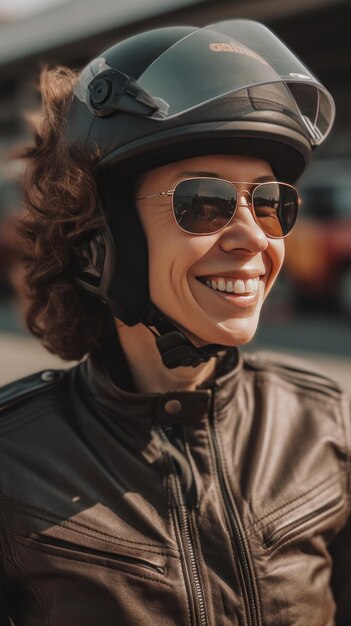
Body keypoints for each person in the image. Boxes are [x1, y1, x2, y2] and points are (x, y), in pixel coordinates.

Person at [0, 19, 350, 626]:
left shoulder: (324, 426)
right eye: (203, 202)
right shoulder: (13, 459)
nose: (251, 236)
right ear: (100, 239)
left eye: (270, 202)